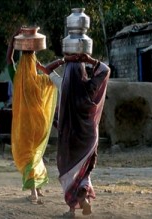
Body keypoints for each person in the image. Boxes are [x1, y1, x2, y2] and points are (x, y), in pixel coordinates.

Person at [46, 54, 110, 217]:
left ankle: (72, 209)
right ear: (83, 72)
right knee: (84, 171)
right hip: (88, 138)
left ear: (67, 74)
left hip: (71, 138)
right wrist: (88, 59)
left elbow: (47, 69)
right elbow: (105, 70)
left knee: (70, 171)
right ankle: (84, 200)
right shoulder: (90, 86)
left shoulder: (63, 86)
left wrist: (64, 60)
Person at [6, 28, 58, 203]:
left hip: (25, 123)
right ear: (35, 60)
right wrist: (60, 61)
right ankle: (39, 187)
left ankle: (33, 192)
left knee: (29, 155)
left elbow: (9, 60)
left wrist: (13, 41)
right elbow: (50, 73)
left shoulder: (16, 77)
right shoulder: (40, 79)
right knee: (37, 153)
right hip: (40, 122)